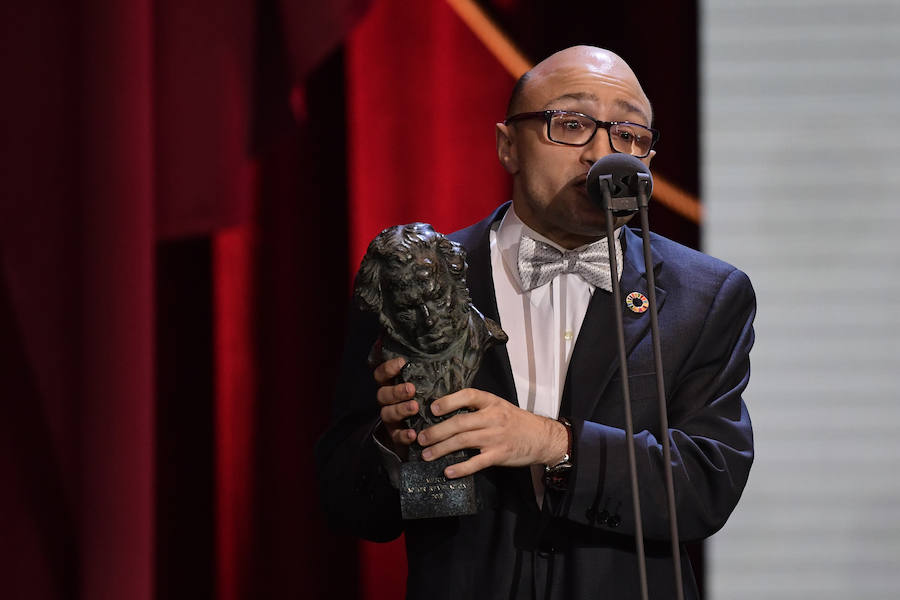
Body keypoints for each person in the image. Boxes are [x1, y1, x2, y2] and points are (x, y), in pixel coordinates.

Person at [316, 45, 755, 600]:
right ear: (508, 146)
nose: (602, 153)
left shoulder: (707, 294)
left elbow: (705, 483)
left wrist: (551, 443)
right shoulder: (412, 275)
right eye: (570, 124)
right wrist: (393, 445)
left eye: (629, 135)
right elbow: (345, 501)